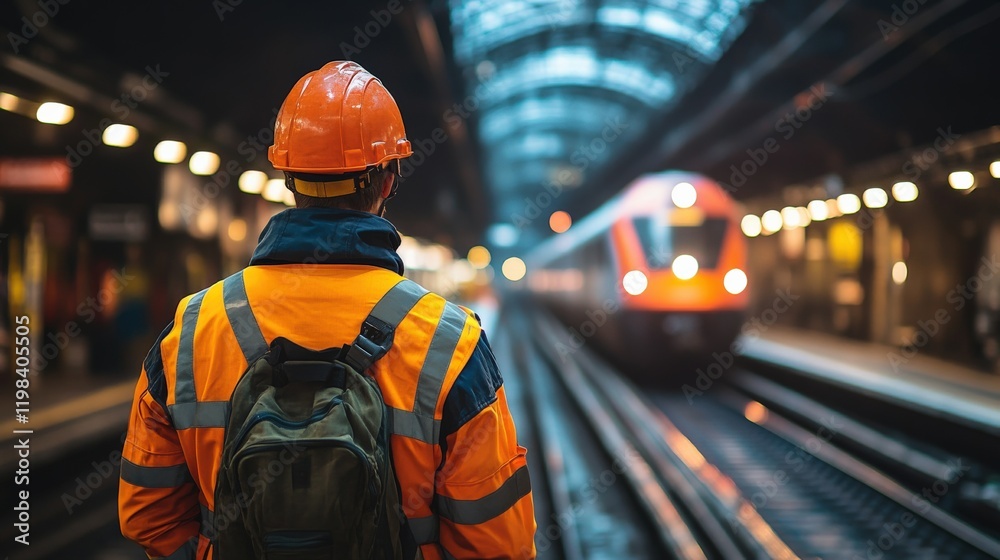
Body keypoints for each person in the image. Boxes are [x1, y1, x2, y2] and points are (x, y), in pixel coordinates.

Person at [118, 60, 536, 560]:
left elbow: (147, 515)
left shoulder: (191, 329)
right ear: (388, 180)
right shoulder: (450, 342)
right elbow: (498, 545)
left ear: (288, 176)